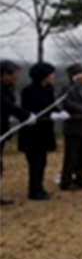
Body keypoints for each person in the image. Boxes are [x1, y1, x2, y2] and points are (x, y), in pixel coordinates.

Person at [18, 63, 57, 201]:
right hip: (32, 132)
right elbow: (29, 108)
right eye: (50, 74)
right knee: (35, 161)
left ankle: (39, 188)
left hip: (45, 131)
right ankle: (34, 190)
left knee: (42, 161)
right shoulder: (29, 91)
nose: (53, 77)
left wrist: (58, 113)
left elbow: (52, 106)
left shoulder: (49, 90)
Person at [1, 60, 33, 205]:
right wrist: (25, 115)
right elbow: (6, 105)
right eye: (14, 74)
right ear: (4, 74)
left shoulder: (9, 87)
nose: (17, 77)